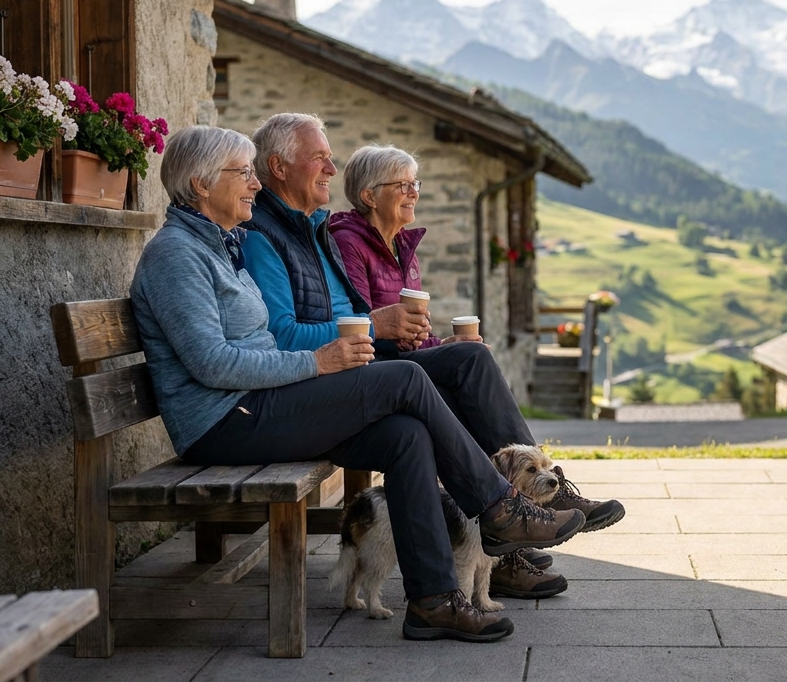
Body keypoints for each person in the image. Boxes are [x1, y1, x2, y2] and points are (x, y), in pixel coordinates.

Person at [129, 125, 586, 643]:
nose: (254, 183)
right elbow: (212, 364)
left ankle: (434, 599)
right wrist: (318, 363)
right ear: (199, 183)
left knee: (405, 436)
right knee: (406, 379)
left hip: (258, 405)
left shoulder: (218, 246)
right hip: (224, 421)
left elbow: (254, 346)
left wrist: (316, 363)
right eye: (242, 172)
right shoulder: (176, 255)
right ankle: (501, 508)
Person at [241, 114, 625, 600]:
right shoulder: (293, 236)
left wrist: (419, 343)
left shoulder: (314, 229)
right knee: (457, 373)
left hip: (354, 369)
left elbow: (357, 320)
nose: (331, 169)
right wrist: (385, 330)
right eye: (320, 158)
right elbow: (295, 333)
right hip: (328, 380)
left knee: (467, 362)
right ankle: (506, 519)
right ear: (279, 166)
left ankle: (491, 544)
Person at [328, 145, 453, 349]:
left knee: (471, 349)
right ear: (370, 197)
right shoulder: (348, 243)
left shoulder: (402, 245)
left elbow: (415, 333)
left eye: (414, 184)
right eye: (403, 185)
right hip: (379, 360)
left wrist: (444, 343)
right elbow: (360, 324)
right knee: (472, 357)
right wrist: (400, 340)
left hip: (405, 357)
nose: (413, 193)